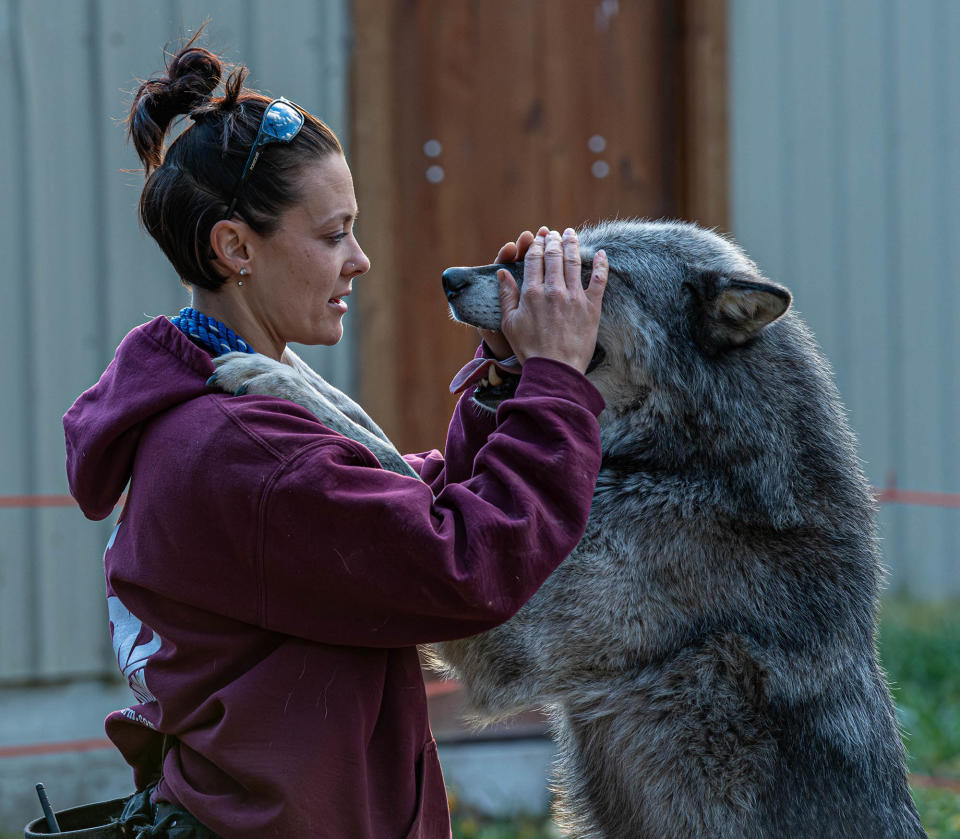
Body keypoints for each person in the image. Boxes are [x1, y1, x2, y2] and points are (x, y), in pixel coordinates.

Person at [63, 36, 607, 839]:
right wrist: (558, 384)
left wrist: (503, 373)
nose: (361, 260)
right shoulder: (249, 449)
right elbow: (458, 563)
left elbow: (399, 504)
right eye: (331, 234)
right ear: (236, 247)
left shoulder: (221, 402)